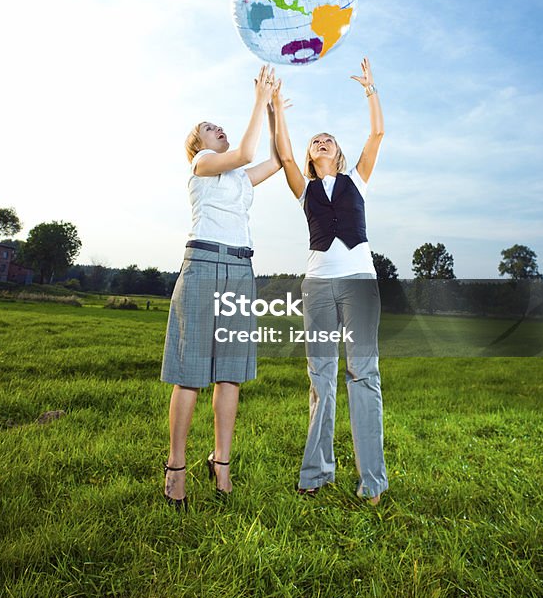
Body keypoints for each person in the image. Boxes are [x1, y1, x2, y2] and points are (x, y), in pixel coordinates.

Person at [160, 65, 281, 509]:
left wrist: (272, 112)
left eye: (218, 125)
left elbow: (278, 159)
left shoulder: (238, 178)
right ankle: (175, 469)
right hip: (204, 265)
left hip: (240, 272)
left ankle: (221, 464)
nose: (218, 129)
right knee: (190, 375)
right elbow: (247, 151)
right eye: (209, 128)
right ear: (198, 145)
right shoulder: (202, 165)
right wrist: (257, 101)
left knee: (230, 375)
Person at [273, 57, 388, 504]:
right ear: (311, 154)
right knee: (320, 378)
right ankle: (317, 473)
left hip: (359, 282)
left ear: (337, 153)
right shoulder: (303, 188)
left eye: (328, 139)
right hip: (318, 286)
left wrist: (370, 91)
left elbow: (377, 134)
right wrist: (277, 109)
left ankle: (372, 482)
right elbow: (283, 153)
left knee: (364, 374)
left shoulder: (357, 178)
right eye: (315, 140)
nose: (320, 141)